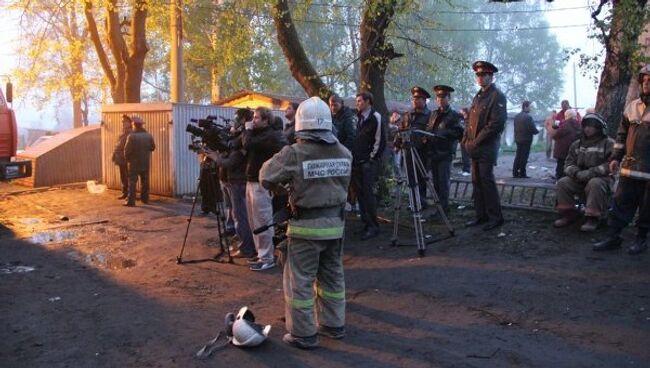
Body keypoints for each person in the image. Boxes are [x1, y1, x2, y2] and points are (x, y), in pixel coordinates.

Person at [260, 96, 352, 350]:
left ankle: (303, 334)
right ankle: (334, 325)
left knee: (299, 281)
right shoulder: (345, 152)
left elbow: (265, 176)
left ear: (301, 126)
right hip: (336, 227)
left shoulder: (295, 153)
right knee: (332, 278)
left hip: (305, 230)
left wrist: (282, 189)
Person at [593, 65, 650, 255]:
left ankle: (641, 239)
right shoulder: (632, 106)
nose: (647, 83)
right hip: (630, 167)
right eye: (645, 80)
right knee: (621, 202)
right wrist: (616, 157)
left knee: (647, 206)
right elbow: (621, 134)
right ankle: (613, 237)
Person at [462, 60, 506, 231]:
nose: (480, 78)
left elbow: (496, 124)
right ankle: (481, 216)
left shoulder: (497, 96)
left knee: (486, 181)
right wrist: (466, 140)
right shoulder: (478, 96)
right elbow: (470, 122)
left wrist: (475, 142)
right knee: (476, 182)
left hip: (486, 147)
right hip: (474, 146)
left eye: (483, 75)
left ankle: (496, 217)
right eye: (478, 75)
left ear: (491, 76)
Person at [242, 106, 287, 271]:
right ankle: (261, 254)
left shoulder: (269, 135)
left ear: (266, 120)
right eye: (253, 118)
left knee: (262, 220)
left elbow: (247, 144)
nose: (253, 121)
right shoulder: (259, 134)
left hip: (261, 183)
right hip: (251, 181)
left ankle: (267, 257)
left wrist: (247, 130)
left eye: (256, 118)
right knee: (254, 221)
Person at [553, 113, 614, 232]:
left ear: (599, 128)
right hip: (579, 177)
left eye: (592, 126)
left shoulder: (609, 143)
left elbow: (611, 164)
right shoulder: (577, 144)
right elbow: (568, 163)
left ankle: (593, 218)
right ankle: (568, 214)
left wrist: (591, 173)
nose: (588, 129)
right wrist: (576, 173)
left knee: (595, 183)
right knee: (563, 182)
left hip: (602, 179)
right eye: (585, 126)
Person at [424, 85, 463, 216]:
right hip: (433, 153)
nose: (440, 99)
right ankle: (438, 209)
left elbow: (459, 133)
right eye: (438, 97)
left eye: (443, 97)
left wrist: (444, 133)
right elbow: (429, 129)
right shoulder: (434, 114)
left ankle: (444, 209)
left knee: (443, 182)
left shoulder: (454, 115)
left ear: (448, 98)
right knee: (436, 183)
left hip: (445, 153)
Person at [351, 91, 385, 240]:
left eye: (359, 101)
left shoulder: (376, 118)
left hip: (368, 163)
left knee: (368, 195)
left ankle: (373, 226)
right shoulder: (358, 119)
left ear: (368, 102)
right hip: (357, 162)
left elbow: (380, 141)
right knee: (360, 195)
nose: (357, 103)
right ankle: (365, 224)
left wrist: (371, 159)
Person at [397, 86, 432, 209]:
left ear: (424, 100)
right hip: (407, 151)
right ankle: (413, 201)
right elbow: (401, 129)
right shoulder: (408, 115)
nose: (415, 101)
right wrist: (398, 143)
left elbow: (430, 133)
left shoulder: (429, 115)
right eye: (414, 98)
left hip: (422, 152)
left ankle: (421, 202)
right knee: (410, 178)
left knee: (422, 177)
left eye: (418, 98)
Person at [123, 116, 155, 207]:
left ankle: (131, 201)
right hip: (145, 162)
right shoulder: (148, 135)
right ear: (141, 125)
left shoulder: (131, 136)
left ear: (134, 125)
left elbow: (126, 151)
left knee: (132, 181)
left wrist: (128, 160)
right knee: (145, 181)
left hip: (134, 163)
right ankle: (145, 199)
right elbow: (153, 147)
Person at [551, 109, 581, 180]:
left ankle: (559, 178)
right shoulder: (578, 125)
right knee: (571, 163)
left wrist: (555, 128)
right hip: (573, 148)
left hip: (562, 149)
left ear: (566, 116)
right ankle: (569, 177)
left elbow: (555, 135)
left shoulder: (565, 124)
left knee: (561, 164)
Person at [513, 101, 539, 178]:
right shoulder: (528, 117)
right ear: (525, 107)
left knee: (518, 155)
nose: (530, 109)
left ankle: (515, 173)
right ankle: (522, 173)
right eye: (529, 107)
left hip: (518, 139)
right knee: (524, 156)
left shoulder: (517, 116)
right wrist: (537, 131)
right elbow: (532, 129)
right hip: (526, 139)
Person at [112, 114, 132, 200]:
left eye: (124, 122)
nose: (123, 123)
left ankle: (130, 194)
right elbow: (118, 145)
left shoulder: (131, 133)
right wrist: (114, 155)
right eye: (122, 122)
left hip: (126, 159)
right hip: (120, 158)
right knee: (123, 176)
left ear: (129, 123)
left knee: (128, 176)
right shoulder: (123, 133)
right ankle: (124, 193)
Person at [458, 107, 471, 176]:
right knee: (463, 156)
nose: (460, 113)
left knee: (466, 156)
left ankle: (467, 170)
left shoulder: (469, 120)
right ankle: (464, 169)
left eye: (461, 112)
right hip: (462, 140)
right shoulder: (462, 120)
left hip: (467, 140)